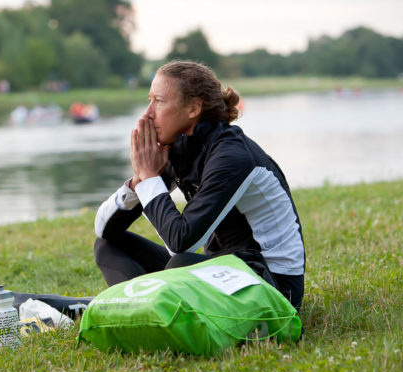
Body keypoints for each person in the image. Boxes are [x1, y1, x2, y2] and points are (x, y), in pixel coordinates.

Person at [93, 60, 305, 310]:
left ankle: (140, 308)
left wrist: (150, 178)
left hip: (275, 286)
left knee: (180, 263)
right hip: (220, 269)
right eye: (149, 100)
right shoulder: (181, 146)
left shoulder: (231, 155)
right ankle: (138, 310)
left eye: (159, 102)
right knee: (108, 245)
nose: (147, 114)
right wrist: (138, 180)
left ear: (193, 108)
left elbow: (181, 242)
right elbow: (104, 229)